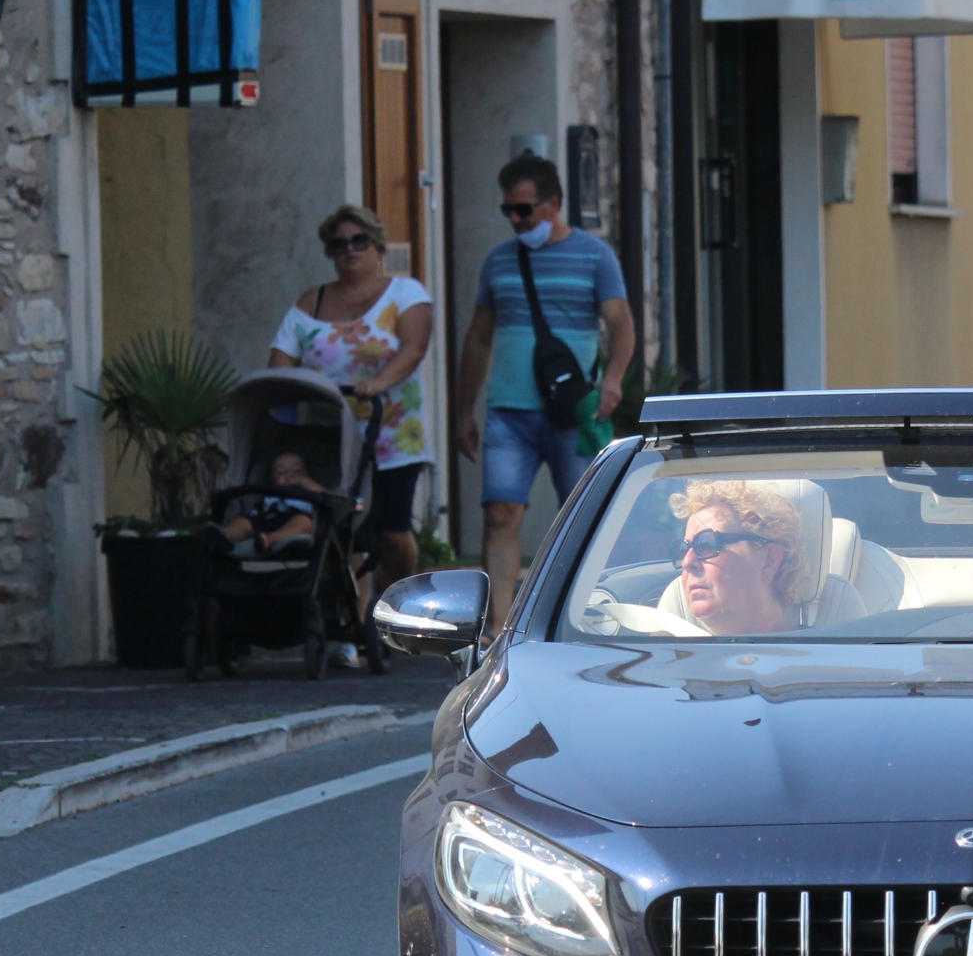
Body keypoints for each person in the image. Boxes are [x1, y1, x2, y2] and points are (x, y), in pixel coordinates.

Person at [455, 153, 636, 628]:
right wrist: (463, 411)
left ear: (553, 204)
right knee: (500, 512)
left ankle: (579, 619)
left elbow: (621, 324)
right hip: (508, 412)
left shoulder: (594, 255)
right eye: (508, 211)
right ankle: (497, 628)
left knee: (584, 514)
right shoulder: (499, 261)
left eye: (524, 209)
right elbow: (477, 338)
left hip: (575, 412)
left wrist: (612, 380)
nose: (515, 220)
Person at [267, 202, 434, 600]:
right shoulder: (312, 303)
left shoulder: (405, 293)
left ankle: (402, 604)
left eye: (360, 240)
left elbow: (413, 347)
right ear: (330, 252)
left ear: (377, 248)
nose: (350, 248)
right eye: (339, 243)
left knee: (393, 532)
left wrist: (378, 382)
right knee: (345, 530)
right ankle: (351, 623)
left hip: (393, 435)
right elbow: (279, 363)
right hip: (333, 437)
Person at [668, 480, 815, 635]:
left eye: (707, 543)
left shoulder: (830, 655)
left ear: (769, 560)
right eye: (683, 548)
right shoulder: (666, 654)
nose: (687, 562)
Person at [217, 449, 324, 556]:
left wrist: (304, 481)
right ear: (272, 480)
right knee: (242, 522)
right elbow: (258, 512)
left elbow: (325, 495)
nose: (289, 474)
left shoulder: (308, 491)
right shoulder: (270, 494)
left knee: (305, 521)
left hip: (295, 518)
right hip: (266, 520)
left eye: (297, 470)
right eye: (280, 472)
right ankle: (223, 535)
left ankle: (270, 539)